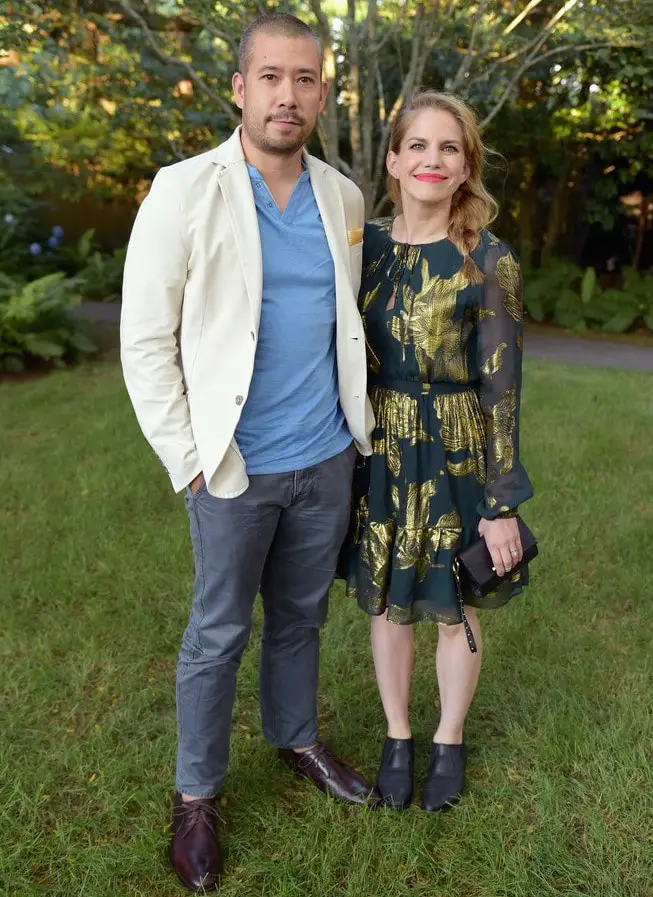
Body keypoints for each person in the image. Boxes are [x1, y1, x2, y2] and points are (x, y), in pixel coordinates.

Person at [120, 13, 376, 893]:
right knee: (218, 632)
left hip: (326, 458)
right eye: (271, 77)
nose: (288, 96)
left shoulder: (342, 198)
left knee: (301, 618)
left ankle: (296, 736)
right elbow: (145, 340)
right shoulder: (184, 189)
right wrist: (187, 457)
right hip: (230, 467)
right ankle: (197, 796)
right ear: (239, 87)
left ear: (321, 91)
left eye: (305, 79)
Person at [344, 91, 534, 813]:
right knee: (390, 598)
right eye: (417, 145)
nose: (432, 159)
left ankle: (448, 737)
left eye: (448, 148)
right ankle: (398, 735)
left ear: (466, 167)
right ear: (393, 159)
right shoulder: (361, 247)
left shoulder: (489, 260)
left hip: (457, 444)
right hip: (382, 445)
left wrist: (500, 502)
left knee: (455, 599)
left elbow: (504, 391)